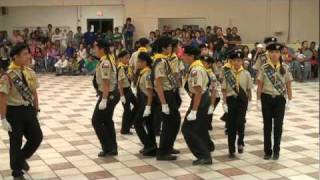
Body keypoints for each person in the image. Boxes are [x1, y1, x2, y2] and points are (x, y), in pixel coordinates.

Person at [0, 43, 43, 180]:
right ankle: (16, 172)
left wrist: (36, 108)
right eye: (24, 54)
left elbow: (34, 92)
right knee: (16, 141)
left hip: (28, 110)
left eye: (28, 53)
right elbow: (2, 97)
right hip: (14, 112)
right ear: (15, 57)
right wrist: (3, 118)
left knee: (37, 137)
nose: (28, 56)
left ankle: (20, 158)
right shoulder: (7, 76)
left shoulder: (30, 72)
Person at [256, 37, 293, 160]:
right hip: (266, 98)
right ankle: (267, 151)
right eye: (272, 52)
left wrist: (290, 100)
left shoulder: (285, 68)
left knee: (278, 126)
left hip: (279, 100)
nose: (274, 54)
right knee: (267, 126)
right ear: (268, 53)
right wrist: (258, 100)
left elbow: (288, 84)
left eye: (277, 52)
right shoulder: (264, 67)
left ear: (280, 53)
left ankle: (276, 151)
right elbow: (260, 84)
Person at [181, 45, 212, 165]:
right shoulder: (197, 66)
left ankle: (204, 155)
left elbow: (198, 91)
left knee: (187, 129)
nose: (183, 57)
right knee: (198, 128)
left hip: (200, 100)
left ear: (191, 56)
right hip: (201, 99)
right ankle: (207, 149)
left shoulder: (196, 70)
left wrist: (194, 110)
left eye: (184, 55)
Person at [152, 36, 180, 161]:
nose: (171, 48)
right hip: (165, 95)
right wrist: (163, 103)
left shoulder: (164, 60)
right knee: (169, 123)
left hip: (169, 93)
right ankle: (162, 152)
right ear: (164, 48)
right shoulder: (160, 62)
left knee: (175, 121)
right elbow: (158, 83)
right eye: (169, 46)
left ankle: (168, 147)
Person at [222, 47, 253, 158]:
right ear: (231, 61)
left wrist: (250, 102)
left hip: (242, 100)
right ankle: (231, 149)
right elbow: (224, 90)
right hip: (231, 100)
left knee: (240, 122)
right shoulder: (228, 74)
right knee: (231, 126)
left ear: (242, 61)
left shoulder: (247, 74)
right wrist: (224, 103)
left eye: (239, 60)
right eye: (235, 60)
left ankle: (240, 141)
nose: (237, 62)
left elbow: (249, 89)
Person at [91, 40, 120, 157]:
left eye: (96, 48)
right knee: (107, 121)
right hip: (110, 94)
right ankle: (112, 148)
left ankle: (108, 148)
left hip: (109, 95)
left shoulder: (105, 62)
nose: (94, 50)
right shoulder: (106, 59)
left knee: (96, 121)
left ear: (102, 49)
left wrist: (104, 99)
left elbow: (106, 82)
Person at [134, 52, 157, 156]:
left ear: (144, 62)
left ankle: (149, 145)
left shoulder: (147, 74)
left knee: (137, 123)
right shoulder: (143, 72)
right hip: (143, 101)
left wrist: (148, 107)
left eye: (139, 61)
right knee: (148, 124)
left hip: (147, 101)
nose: (137, 63)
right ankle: (152, 146)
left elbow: (150, 92)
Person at [117, 50, 137, 135]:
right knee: (127, 110)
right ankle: (124, 129)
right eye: (126, 58)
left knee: (138, 104)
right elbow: (120, 83)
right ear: (121, 58)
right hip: (124, 91)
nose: (128, 59)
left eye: (128, 57)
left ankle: (130, 122)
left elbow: (130, 77)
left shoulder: (126, 66)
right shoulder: (121, 68)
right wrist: (122, 95)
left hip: (129, 89)